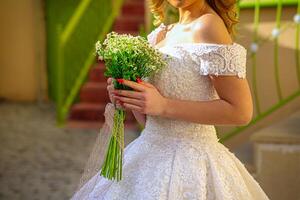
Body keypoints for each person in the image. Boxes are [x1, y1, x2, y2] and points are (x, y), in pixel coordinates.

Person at [71, 0, 271, 199]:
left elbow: (241, 111)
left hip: (192, 165)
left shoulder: (208, 26)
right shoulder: (160, 34)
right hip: (146, 154)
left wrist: (164, 105)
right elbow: (151, 122)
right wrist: (130, 96)